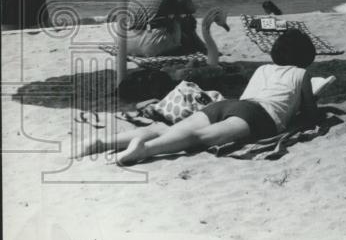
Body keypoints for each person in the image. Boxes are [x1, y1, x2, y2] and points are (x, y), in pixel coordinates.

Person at [81, 28, 320, 165]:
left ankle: (104, 143)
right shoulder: (301, 74)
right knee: (199, 138)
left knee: (172, 129)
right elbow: (310, 115)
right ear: (304, 57)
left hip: (231, 105)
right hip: (259, 115)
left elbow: (248, 97)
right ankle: (145, 150)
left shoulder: (262, 69)